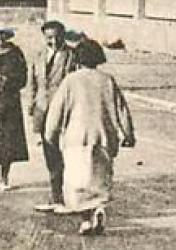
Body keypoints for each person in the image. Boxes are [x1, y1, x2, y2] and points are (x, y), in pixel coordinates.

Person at [43, 39, 135, 235]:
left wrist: (50, 134)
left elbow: (56, 112)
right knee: (100, 178)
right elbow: (121, 109)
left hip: (76, 138)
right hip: (104, 136)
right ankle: (99, 209)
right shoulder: (107, 80)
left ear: (77, 59)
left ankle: (86, 220)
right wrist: (128, 134)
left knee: (78, 182)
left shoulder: (70, 81)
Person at [27, 20, 74, 212]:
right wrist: (31, 105)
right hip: (43, 108)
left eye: (56, 37)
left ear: (63, 36)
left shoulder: (71, 55)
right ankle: (56, 195)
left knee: (66, 153)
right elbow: (33, 82)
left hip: (63, 109)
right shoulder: (38, 55)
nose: (53, 42)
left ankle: (67, 195)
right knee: (50, 153)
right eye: (49, 38)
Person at [0, 25, 30, 190]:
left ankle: (4, 178)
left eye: (2, 35)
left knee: (8, 140)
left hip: (9, 102)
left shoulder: (15, 54)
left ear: (7, 36)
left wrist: (7, 80)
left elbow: (22, 78)